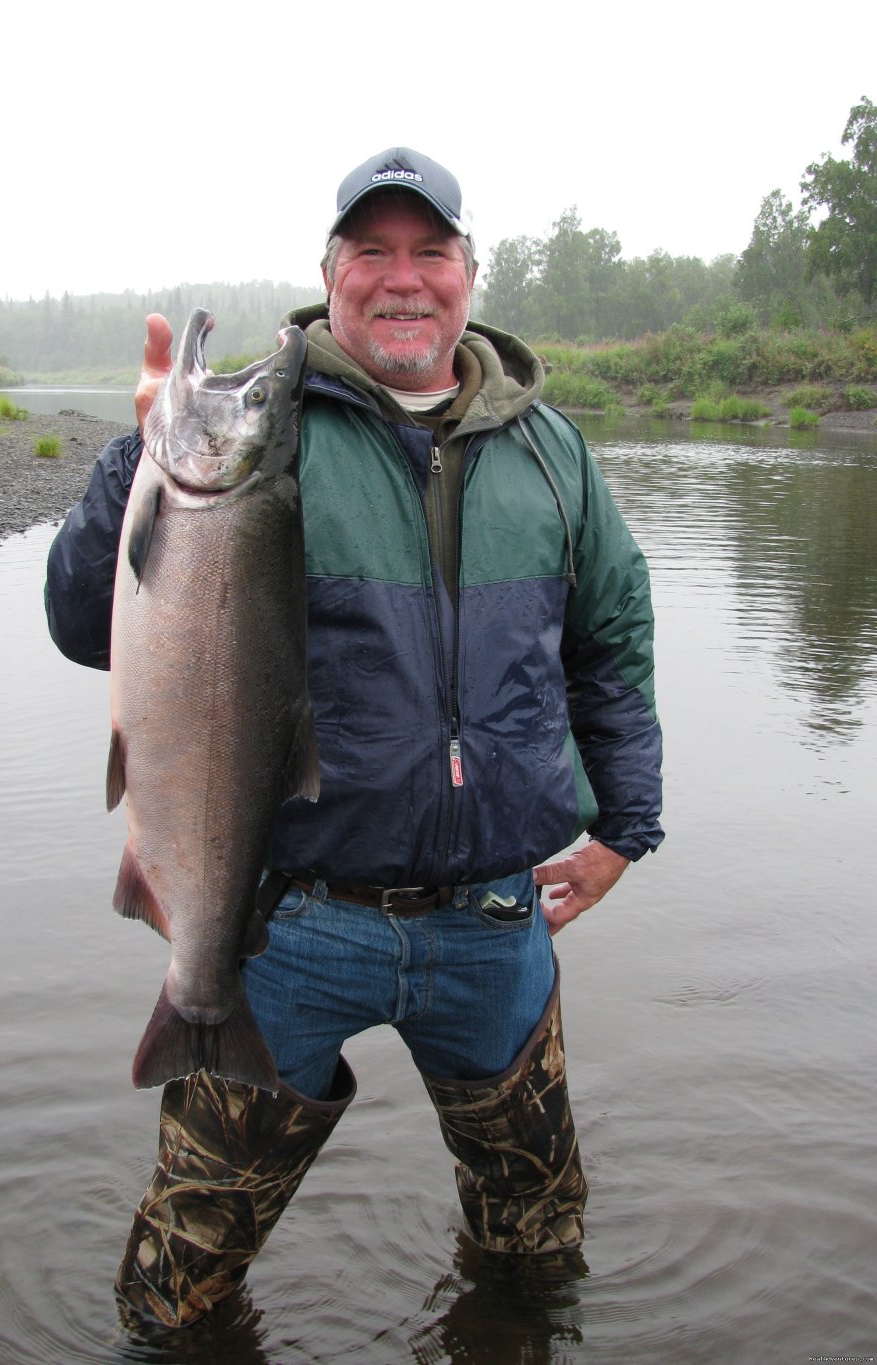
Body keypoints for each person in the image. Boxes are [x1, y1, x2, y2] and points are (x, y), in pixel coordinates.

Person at [45, 147, 663, 1329]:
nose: (402, 279)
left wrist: (625, 828)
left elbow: (613, 651)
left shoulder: (553, 454)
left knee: (536, 1254)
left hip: (494, 925)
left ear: (470, 275)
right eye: (370, 252)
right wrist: (136, 459)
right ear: (329, 274)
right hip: (285, 925)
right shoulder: (255, 431)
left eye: (428, 252)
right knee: (177, 1289)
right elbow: (87, 626)